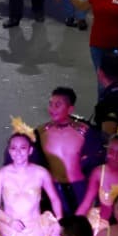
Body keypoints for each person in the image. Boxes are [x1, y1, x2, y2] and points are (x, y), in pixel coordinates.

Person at [37, 86, 96, 214]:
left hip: (79, 188)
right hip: (53, 189)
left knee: (79, 228)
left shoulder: (84, 131)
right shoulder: (40, 132)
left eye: (58, 105)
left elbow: (94, 163)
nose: (52, 109)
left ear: (70, 109)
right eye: (50, 104)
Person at [78, 134, 118, 226]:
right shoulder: (98, 172)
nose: (114, 157)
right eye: (111, 152)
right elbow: (87, 202)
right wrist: (73, 223)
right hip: (102, 223)